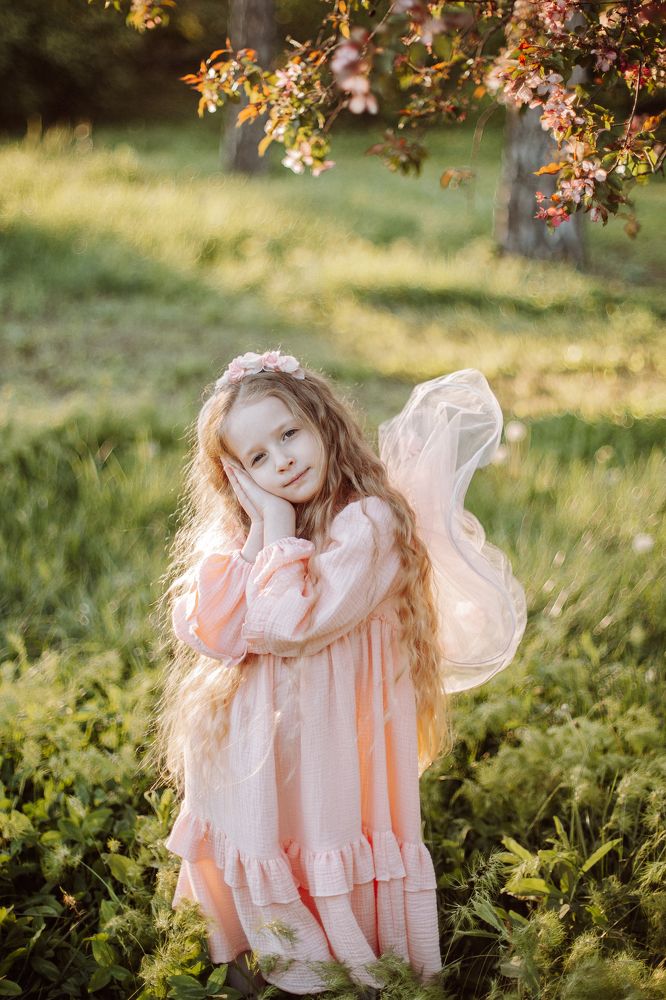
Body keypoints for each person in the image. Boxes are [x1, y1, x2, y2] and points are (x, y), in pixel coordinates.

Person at [157, 349, 526, 996]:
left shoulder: (369, 522)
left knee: (322, 839)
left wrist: (276, 528)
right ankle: (254, 956)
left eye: (289, 434)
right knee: (264, 833)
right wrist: (261, 531)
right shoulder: (259, 525)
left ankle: (333, 969)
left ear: (323, 423)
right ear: (236, 477)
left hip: (333, 746)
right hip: (263, 744)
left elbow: (290, 624)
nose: (282, 461)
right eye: (256, 458)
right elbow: (209, 632)